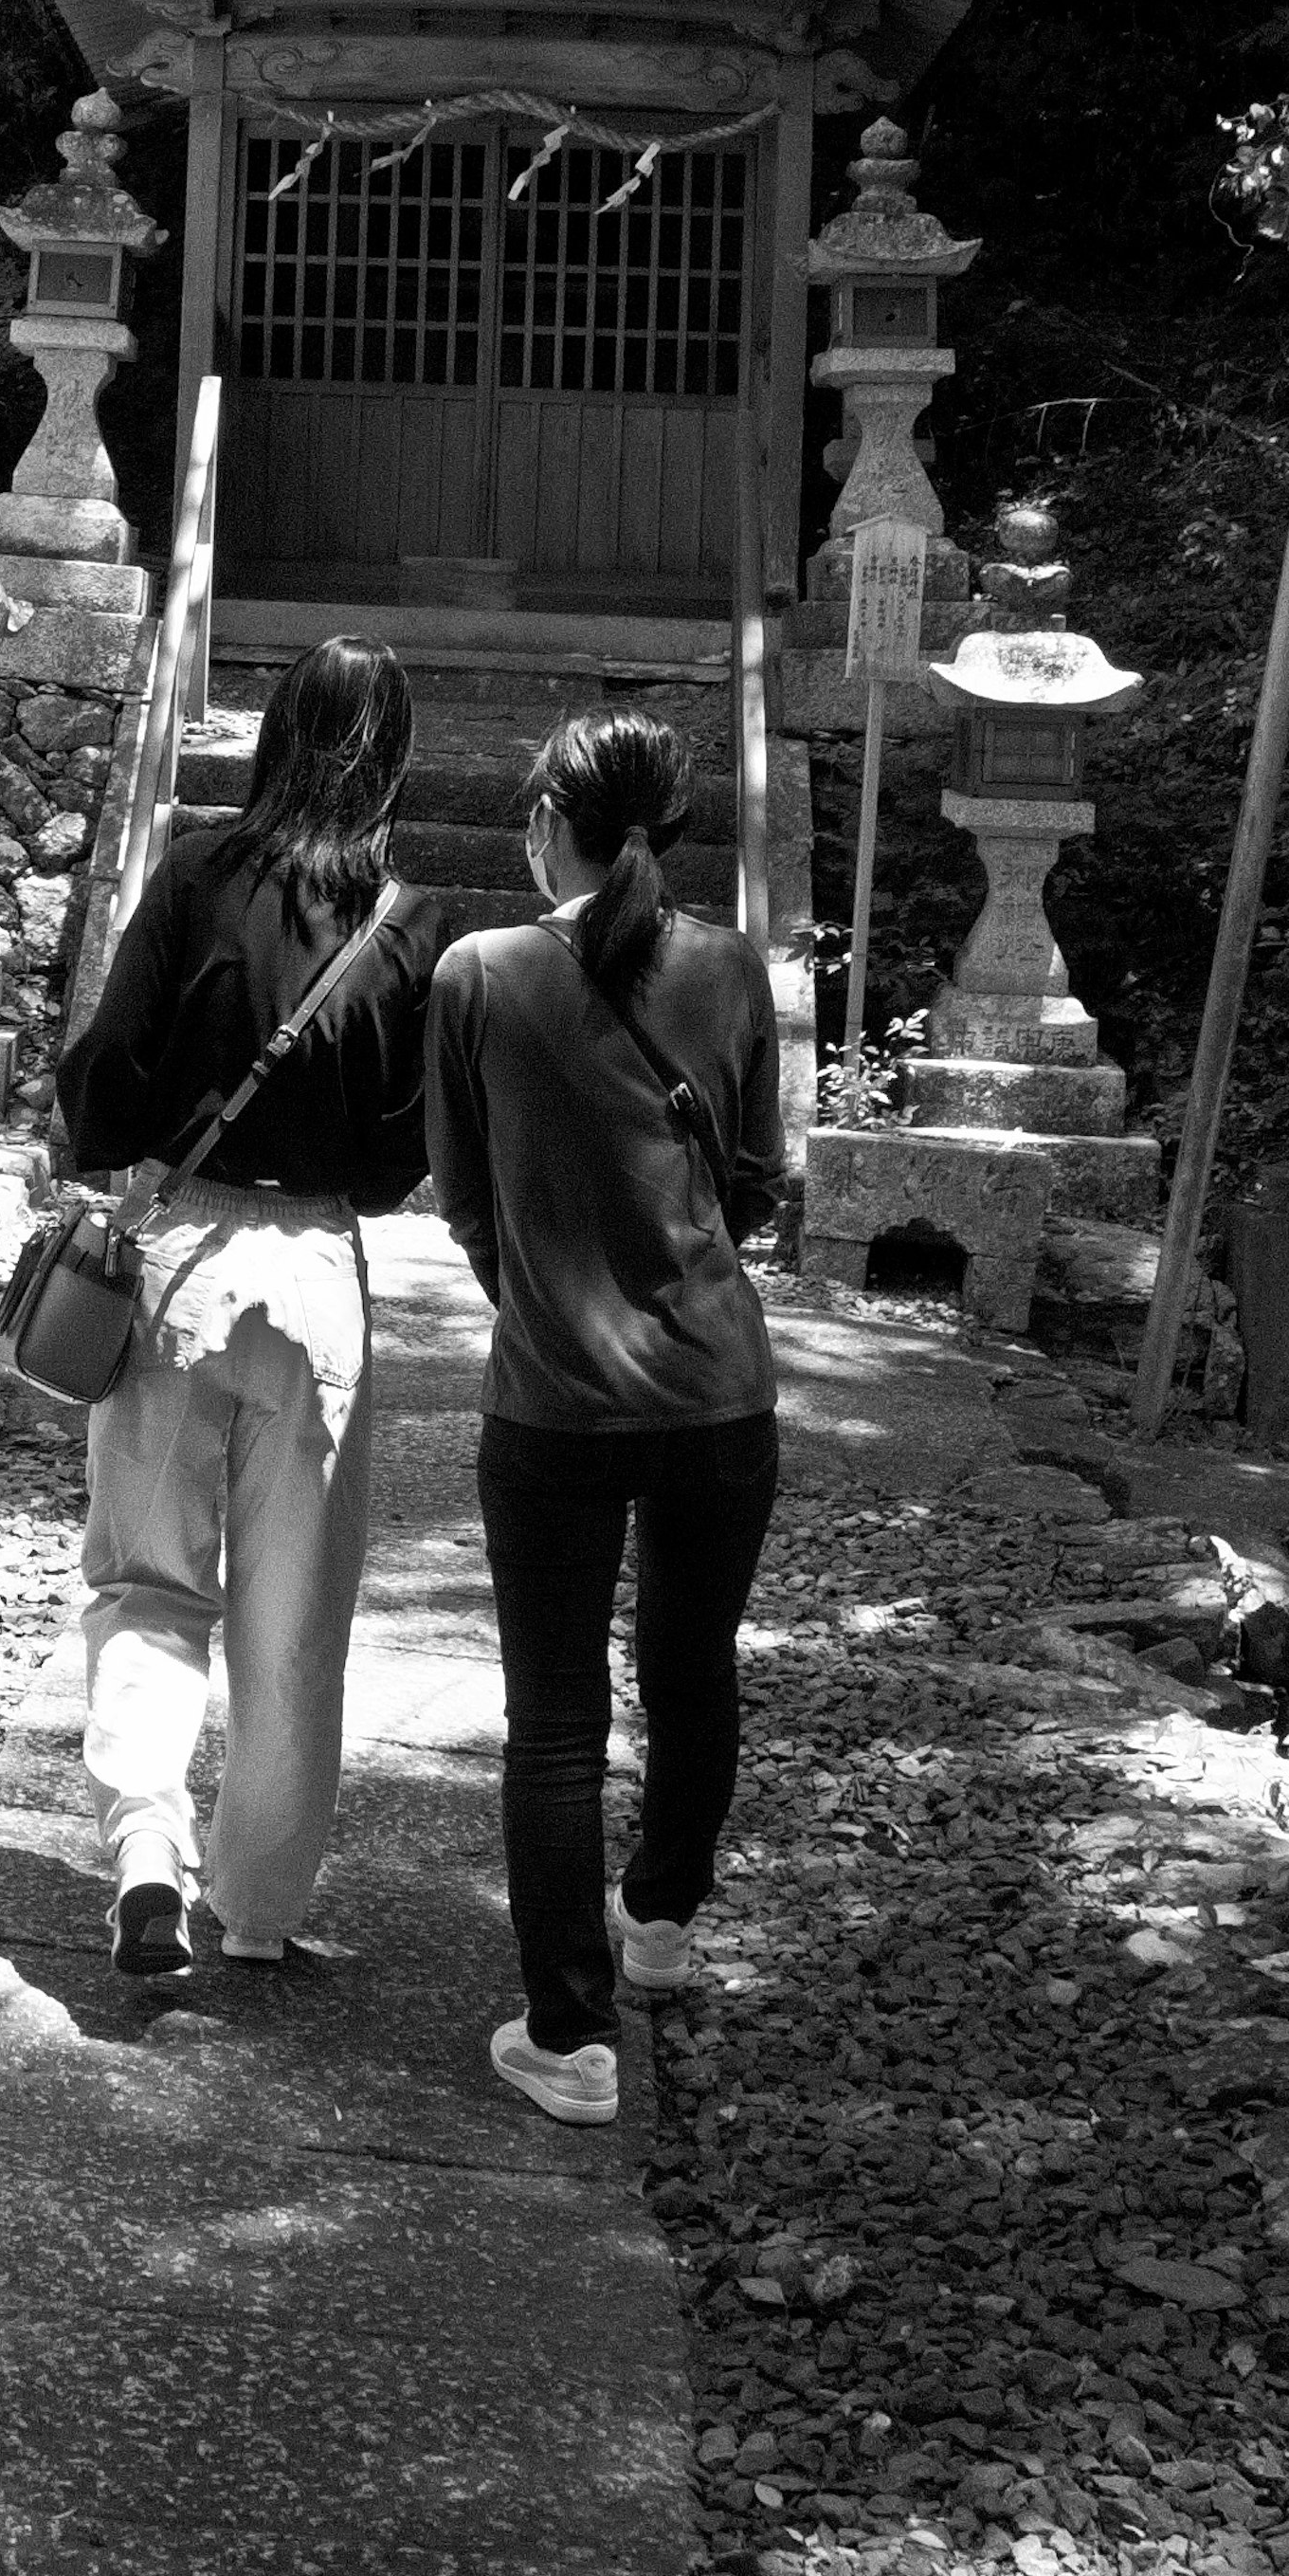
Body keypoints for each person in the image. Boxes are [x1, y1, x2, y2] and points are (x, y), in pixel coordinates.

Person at [53, 636, 448, 1983]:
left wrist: (115, 1154)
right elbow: (407, 1147)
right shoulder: (412, 920)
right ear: (391, 756)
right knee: (294, 1625)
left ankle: (148, 1850)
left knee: (149, 1581)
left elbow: (108, 1057)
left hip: (181, 1251)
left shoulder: (195, 869)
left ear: (276, 733)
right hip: (318, 1274)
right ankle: (261, 1912)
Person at [426, 703, 786, 2123]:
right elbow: (755, 1180)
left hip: (553, 1406)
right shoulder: (729, 966)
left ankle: (569, 2040)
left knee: (558, 1721)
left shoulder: (476, 974)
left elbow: (462, 1200)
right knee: (693, 1668)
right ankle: (663, 1920)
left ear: (544, 824)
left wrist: (542, 1286)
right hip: (718, 1393)